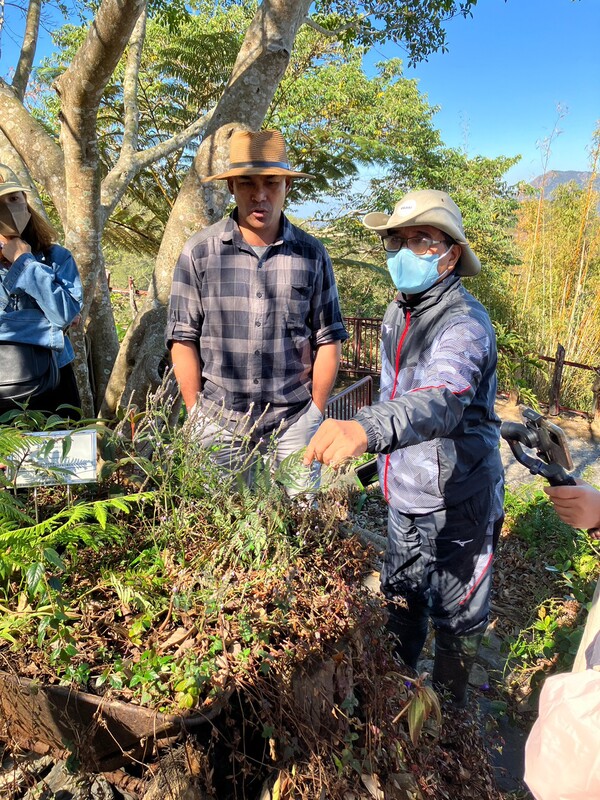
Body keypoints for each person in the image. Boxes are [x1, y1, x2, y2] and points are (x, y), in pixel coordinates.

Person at [304, 189, 505, 707]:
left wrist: (365, 428)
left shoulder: (463, 323)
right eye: (396, 239)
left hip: (458, 499)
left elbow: (443, 396)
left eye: (420, 239)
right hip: (404, 493)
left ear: (450, 253)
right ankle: (394, 703)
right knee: (401, 602)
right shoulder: (399, 311)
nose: (403, 250)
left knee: (457, 618)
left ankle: (453, 722)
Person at [166, 130, 347, 491]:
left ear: (287, 187)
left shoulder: (312, 255)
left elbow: (329, 338)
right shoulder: (201, 253)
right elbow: (182, 337)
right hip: (218, 423)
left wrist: (315, 412)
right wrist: (194, 412)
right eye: (246, 182)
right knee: (218, 527)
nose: (259, 194)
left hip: (293, 422)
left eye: (271, 182)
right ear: (231, 186)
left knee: (298, 526)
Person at [0, 165, 83, 416]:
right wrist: (48, 325)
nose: (10, 208)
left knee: (65, 452)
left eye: (14, 198)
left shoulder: (56, 257)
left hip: (55, 378)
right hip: (3, 381)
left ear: (25, 202)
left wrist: (26, 263)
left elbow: (64, 315)